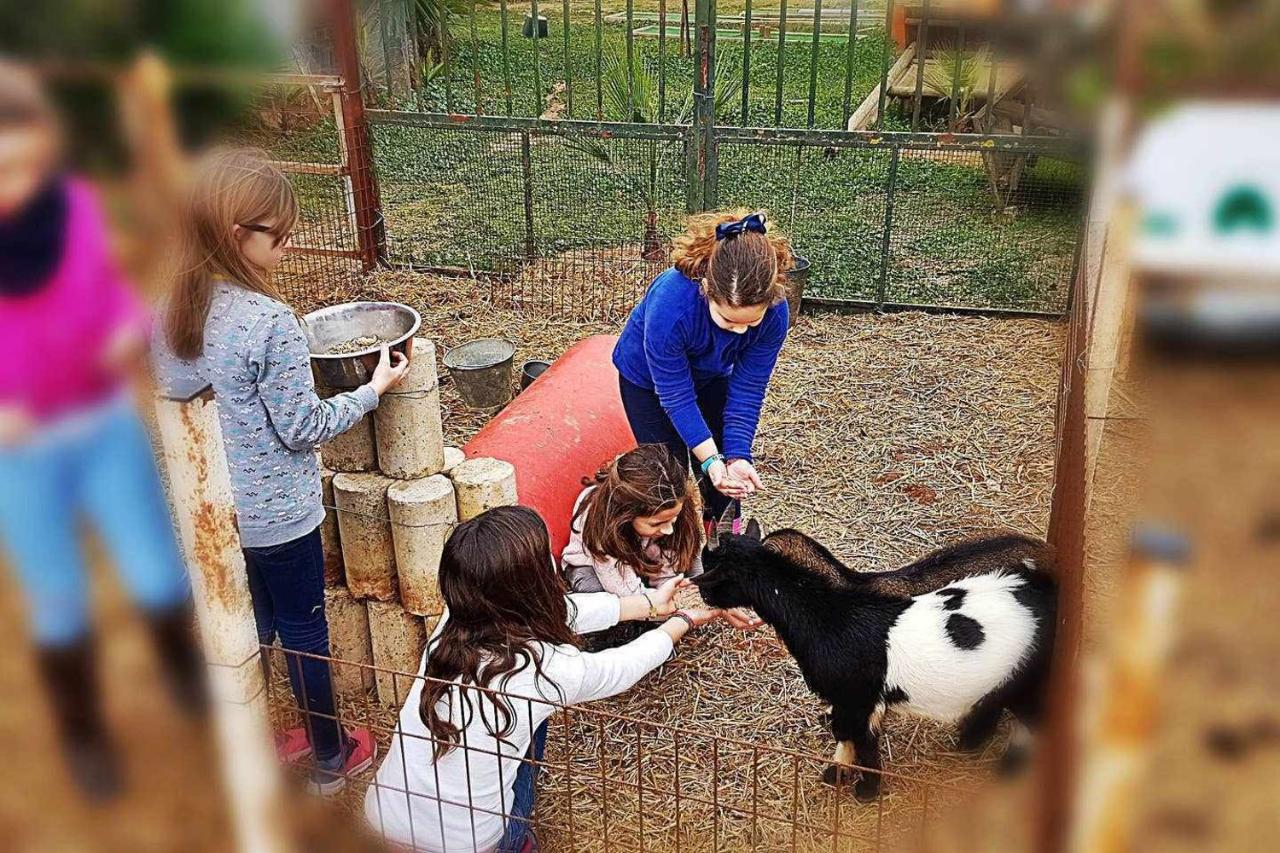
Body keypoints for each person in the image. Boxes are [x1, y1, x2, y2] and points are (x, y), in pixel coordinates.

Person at [155, 147, 411, 794]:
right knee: (301, 627)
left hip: (212, 507)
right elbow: (302, 428)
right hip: (278, 512)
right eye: (281, 234)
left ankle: (249, 739)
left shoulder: (171, 308)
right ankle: (331, 752)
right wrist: (372, 390)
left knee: (250, 625)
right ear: (236, 235)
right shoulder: (269, 323)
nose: (290, 246)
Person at [0, 60, 204, 801]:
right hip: (21, 450)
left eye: (25, 164)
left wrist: (127, 331)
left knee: (155, 567)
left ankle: (190, 687)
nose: (14, 186)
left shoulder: (78, 208)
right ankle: (84, 736)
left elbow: (113, 296)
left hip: (101, 418)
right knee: (58, 596)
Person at [365, 505, 721, 852]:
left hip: (380, 822)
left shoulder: (456, 620)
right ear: (534, 584)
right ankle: (516, 841)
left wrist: (651, 604)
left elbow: (559, 613)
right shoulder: (544, 671)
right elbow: (623, 665)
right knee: (537, 717)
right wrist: (683, 621)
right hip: (467, 843)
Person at [612, 209, 793, 536]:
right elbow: (676, 395)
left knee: (727, 468)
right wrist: (710, 460)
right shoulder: (672, 305)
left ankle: (723, 540)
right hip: (647, 382)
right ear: (706, 288)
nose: (739, 332)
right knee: (667, 472)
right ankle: (672, 547)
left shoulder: (776, 313)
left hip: (711, 373)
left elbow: (748, 388)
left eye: (750, 323)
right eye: (727, 321)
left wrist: (736, 456)